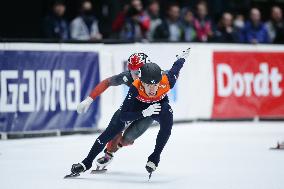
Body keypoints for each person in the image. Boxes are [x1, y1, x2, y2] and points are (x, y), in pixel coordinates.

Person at [69, 48, 190, 177]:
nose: (136, 76)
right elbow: (107, 83)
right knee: (113, 129)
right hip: (134, 105)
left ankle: (112, 150)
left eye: (139, 71)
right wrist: (89, 99)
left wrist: (180, 60)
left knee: (126, 139)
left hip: (153, 108)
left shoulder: (159, 77)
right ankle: (92, 160)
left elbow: (175, 71)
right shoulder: (131, 81)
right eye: (133, 72)